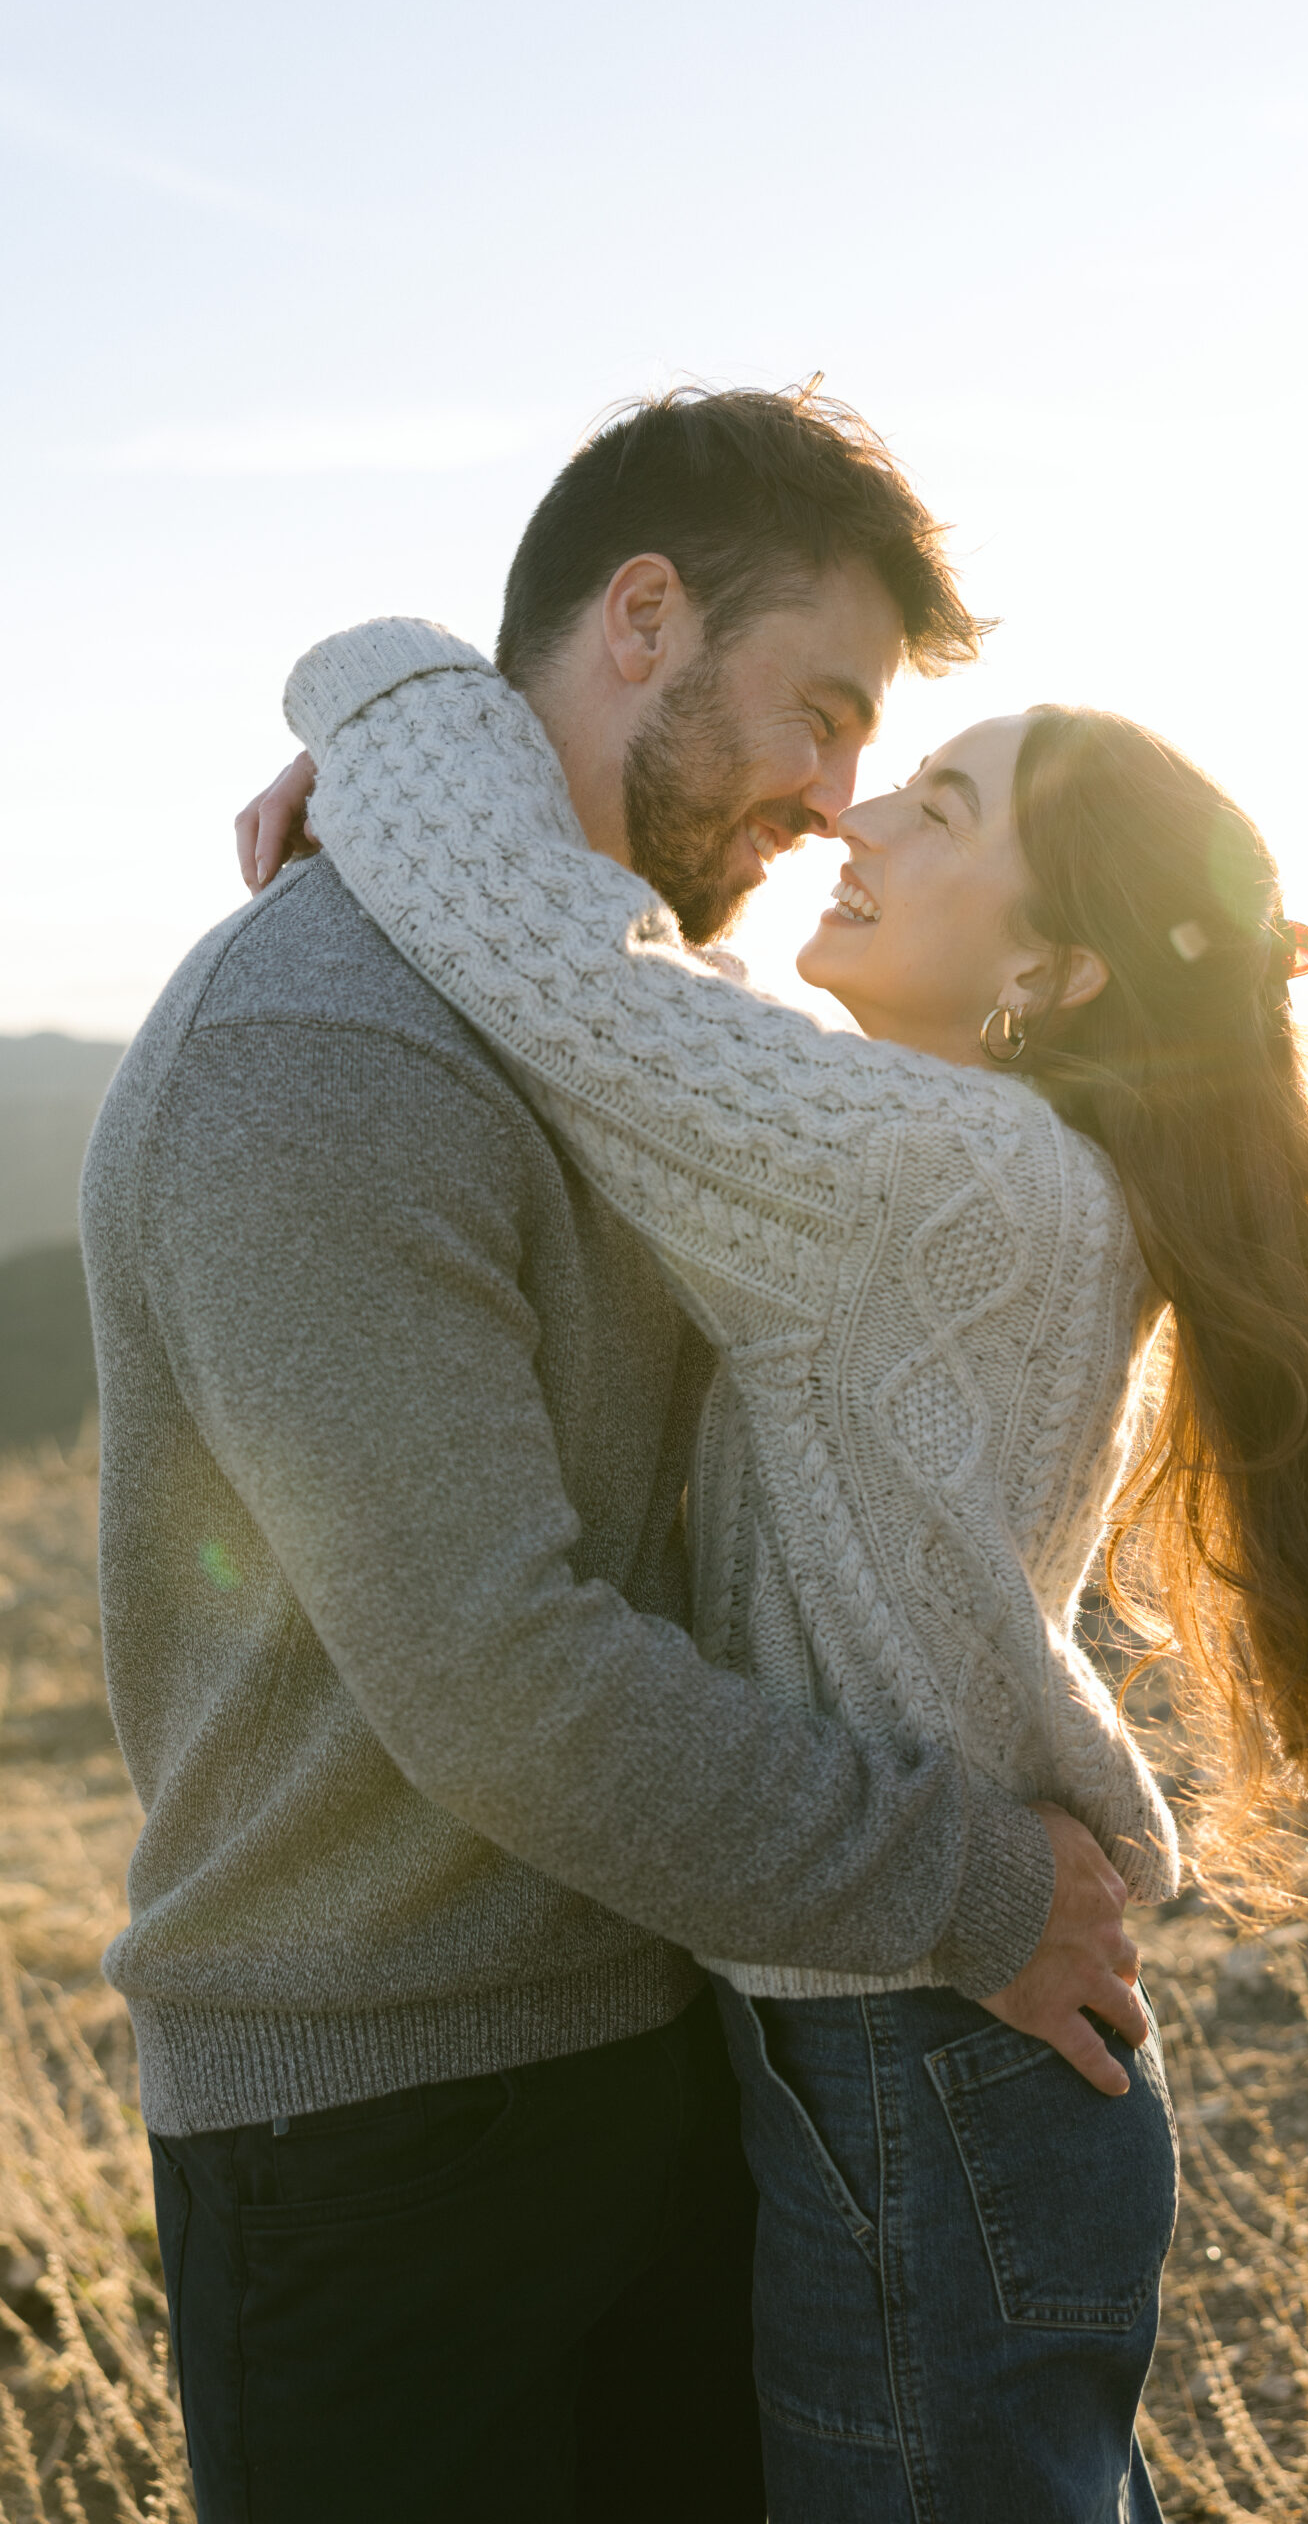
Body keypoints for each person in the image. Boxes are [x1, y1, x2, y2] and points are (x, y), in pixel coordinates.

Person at [252, 580, 1308, 2518]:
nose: (851, 820)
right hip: (918, 2037)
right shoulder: (961, 1143)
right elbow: (694, 1006)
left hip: (925, 2060)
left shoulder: (938, 1176)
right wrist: (418, 793)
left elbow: (562, 971)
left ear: (1059, 970)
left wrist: (394, 697)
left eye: (939, 810)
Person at [81, 388, 1152, 2524]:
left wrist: (407, 749)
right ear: (641, 614)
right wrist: (968, 1879)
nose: (832, 802)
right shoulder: (324, 1045)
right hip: (388, 2136)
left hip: (668, 2040)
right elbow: (494, 1667)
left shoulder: (621, 1022)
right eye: (818, 709)